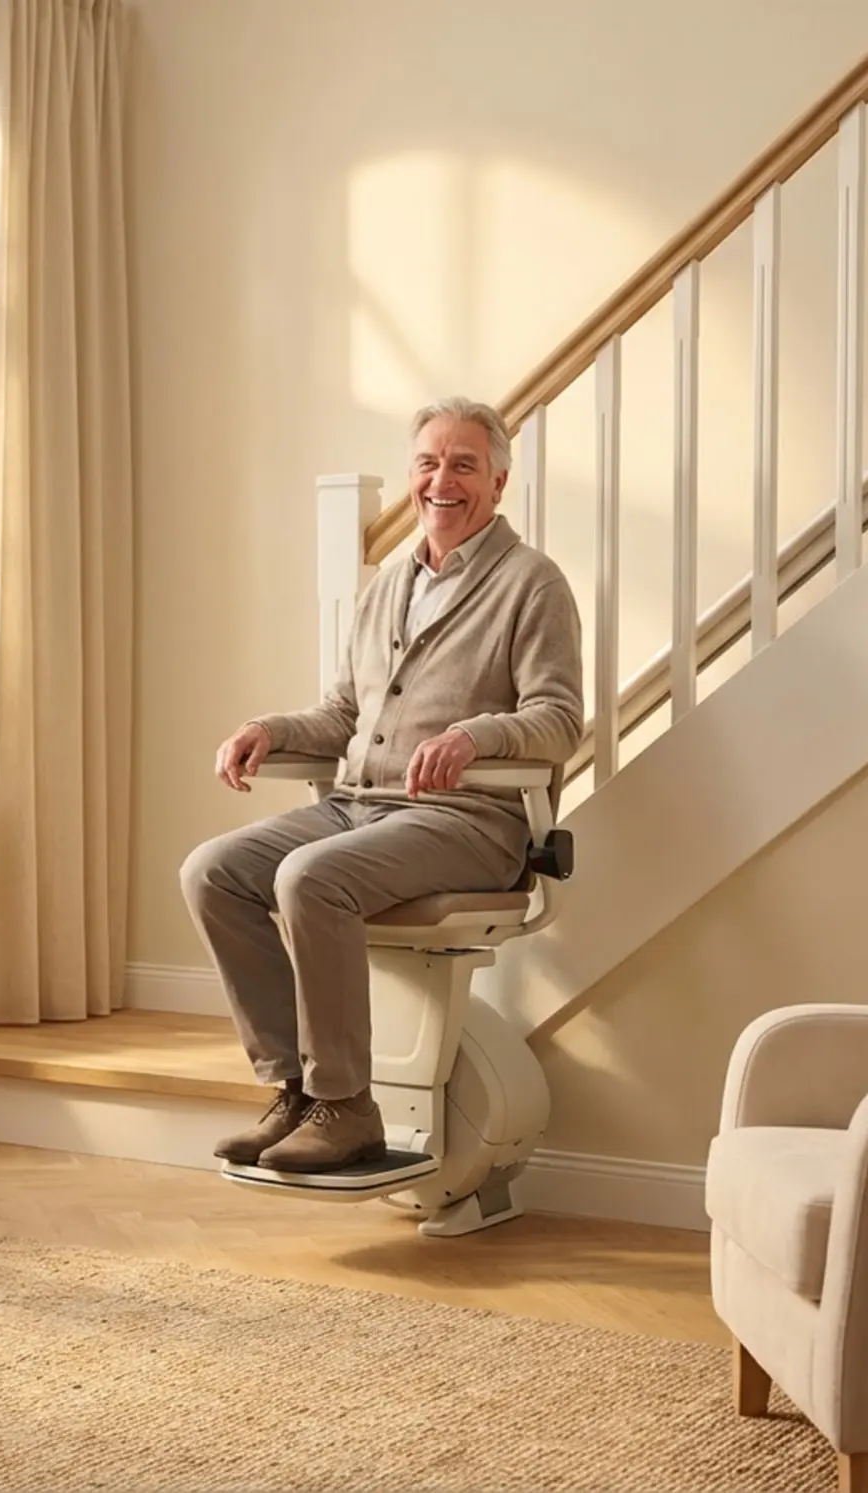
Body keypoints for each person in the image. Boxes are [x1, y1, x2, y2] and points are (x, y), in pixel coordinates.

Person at [179, 396, 583, 1173]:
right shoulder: (388, 585)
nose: (443, 480)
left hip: (468, 823)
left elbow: (559, 718)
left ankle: (347, 1107)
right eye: (428, 463)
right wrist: (272, 729)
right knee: (212, 872)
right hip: (359, 807)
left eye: (464, 463)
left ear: (499, 482)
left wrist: (476, 735)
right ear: (411, 478)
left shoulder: (532, 584)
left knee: (309, 878)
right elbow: (342, 712)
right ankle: (297, 1092)